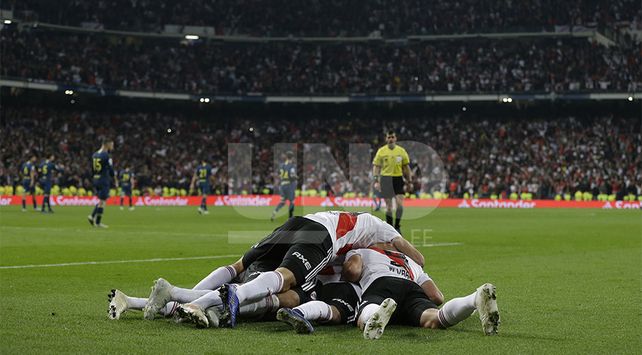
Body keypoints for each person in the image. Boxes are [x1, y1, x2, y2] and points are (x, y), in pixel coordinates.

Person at [220, 211, 423, 328]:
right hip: (325, 261)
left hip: (301, 228)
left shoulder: (358, 244)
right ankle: (296, 312)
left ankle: (204, 303)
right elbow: (353, 272)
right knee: (336, 310)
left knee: (249, 272)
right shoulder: (365, 246)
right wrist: (415, 264)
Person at [343, 247, 500, 339]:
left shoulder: (362, 251)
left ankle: (373, 315)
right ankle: (473, 299)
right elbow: (436, 296)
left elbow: (352, 271)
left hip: (381, 283)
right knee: (434, 318)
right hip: (411, 288)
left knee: (366, 309)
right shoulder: (410, 262)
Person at [372, 130, 412, 231]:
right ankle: (390, 228)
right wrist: (376, 180)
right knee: (389, 207)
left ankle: (397, 226)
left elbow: (406, 168)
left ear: (395, 138)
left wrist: (409, 181)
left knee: (400, 205)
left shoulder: (401, 151)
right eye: (389, 137)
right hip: (386, 179)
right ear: (386, 139)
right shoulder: (381, 151)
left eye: (392, 137)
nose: (390, 139)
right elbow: (376, 167)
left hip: (398, 178)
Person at [88, 138, 117, 228]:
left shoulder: (94, 155)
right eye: (111, 145)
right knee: (103, 201)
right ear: (106, 144)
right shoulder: (107, 156)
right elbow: (111, 170)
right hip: (103, 179)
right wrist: (115, 180)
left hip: (96, 179)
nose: (112, 147)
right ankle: (94, 218)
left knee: (101, 200)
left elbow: (92, 169)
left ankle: (95, 220)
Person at [271, 151, 297, 221]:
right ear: (292, 157)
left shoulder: (281, 165)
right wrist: (296, 177)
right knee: (292, 201)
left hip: (282, 185)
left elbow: (279, 174)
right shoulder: (292, 166)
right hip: (289, 185)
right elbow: (292, 176)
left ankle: (274, 213)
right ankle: (290, 217)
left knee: (282, 202)